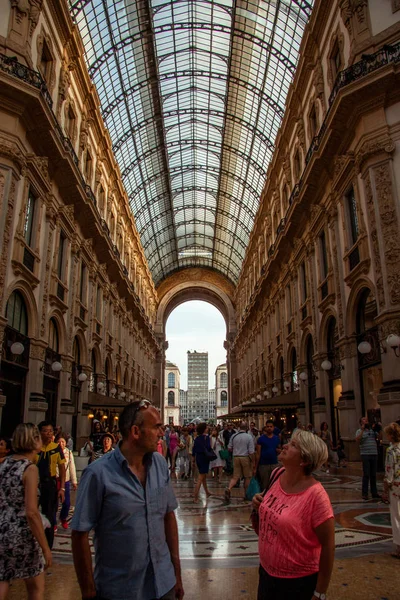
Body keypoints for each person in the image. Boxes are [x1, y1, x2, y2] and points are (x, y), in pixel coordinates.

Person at [71, 400, 183, 600]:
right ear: (135, 432)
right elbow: (80, 533)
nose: (161, 433)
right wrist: (88, 591)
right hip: (120, 590)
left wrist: (177, 573)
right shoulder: (98, 474)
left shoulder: (158, 464)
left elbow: (168, 516)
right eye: (157, 427)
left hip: (163, 583)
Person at [252, 430, 335, 600]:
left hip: (297, 583)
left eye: (293, 445)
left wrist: (320, 592)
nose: (285, 446)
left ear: (304, 460)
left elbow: (328, 546)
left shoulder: (316, 496)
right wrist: (257, 502)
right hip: (267, 574)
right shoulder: (277, 474)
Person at [0, 423, 52, 600]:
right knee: (36, 587)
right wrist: (45, 548)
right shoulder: (29, 468)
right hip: (22, 534)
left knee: (3, 578)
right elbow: (31, 512)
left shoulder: (4, 463)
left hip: (2, 529)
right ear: (34, 440)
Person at [35, 421, 66, 549]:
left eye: (51, 431)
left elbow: (62, 468)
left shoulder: (56, 447)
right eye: (45, 431)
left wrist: (62, 488)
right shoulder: (35, 448)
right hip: (36, 484)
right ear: (39, 432)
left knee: (50, 515)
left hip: (51, 484)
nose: (49, 434)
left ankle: (48, 545)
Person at [225, 421, 255, 502]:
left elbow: (229, 448)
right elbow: (251, 451)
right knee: (247, 477)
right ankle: (246, 494)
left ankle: (229, 488)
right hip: (245, 458)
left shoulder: (234, 436)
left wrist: (236, 449)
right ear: (246, 428)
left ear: (239, 427)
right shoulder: (249, 437)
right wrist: (253, 462)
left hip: (236, 457)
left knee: (235, 477)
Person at [382, 422, 400, 559]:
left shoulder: (391, 451)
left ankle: (398, 547)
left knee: (396, 515)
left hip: (395, 486)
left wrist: (385, 488)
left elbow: (389, 471)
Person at [356, 417, 380, 501]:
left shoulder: (372, 431)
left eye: (366, 419)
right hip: (365, 454)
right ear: (361, 422)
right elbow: (358, 440)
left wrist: (377, 429)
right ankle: (364, 493)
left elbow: (379, 437)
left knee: (373, 474)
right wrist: (362, 430)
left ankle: (374, 492)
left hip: (374, 453)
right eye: (363, 419)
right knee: (366, 474)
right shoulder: (359, 431)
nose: (366, 420)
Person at [56, 436, 78, 529]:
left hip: (66, 480)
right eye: (59, 442)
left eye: (63, 442)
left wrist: (74, 481)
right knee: (54, 503)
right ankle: (53, 523)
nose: (61, 444)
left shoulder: (68, 452)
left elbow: (72, 467)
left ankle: (63, 517)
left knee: (67, 503)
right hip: (56, 479)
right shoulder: (54, 452)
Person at [255, 421, 281, 491]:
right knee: (264, 484)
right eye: (268, 426)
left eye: (271, 427)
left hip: (274, 464)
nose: (269, 428)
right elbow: (258, 453)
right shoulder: (261, 439)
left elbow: (278, 449)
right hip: (263, 465)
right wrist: (255, 467)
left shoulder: (276, 438)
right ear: (265, 427)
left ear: (273, 428)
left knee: (274, 483)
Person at [192, 423, 212, 502]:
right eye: (206, 428)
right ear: (204, 429)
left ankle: (207, 492)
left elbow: (194, 449)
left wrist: (193, 460)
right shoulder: (206, 438)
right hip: (204, 458)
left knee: (203, 477)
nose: (208, 429)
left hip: (198, 457)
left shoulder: (197, 438)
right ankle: (196, 497)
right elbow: (208, 447)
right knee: (200, 477)